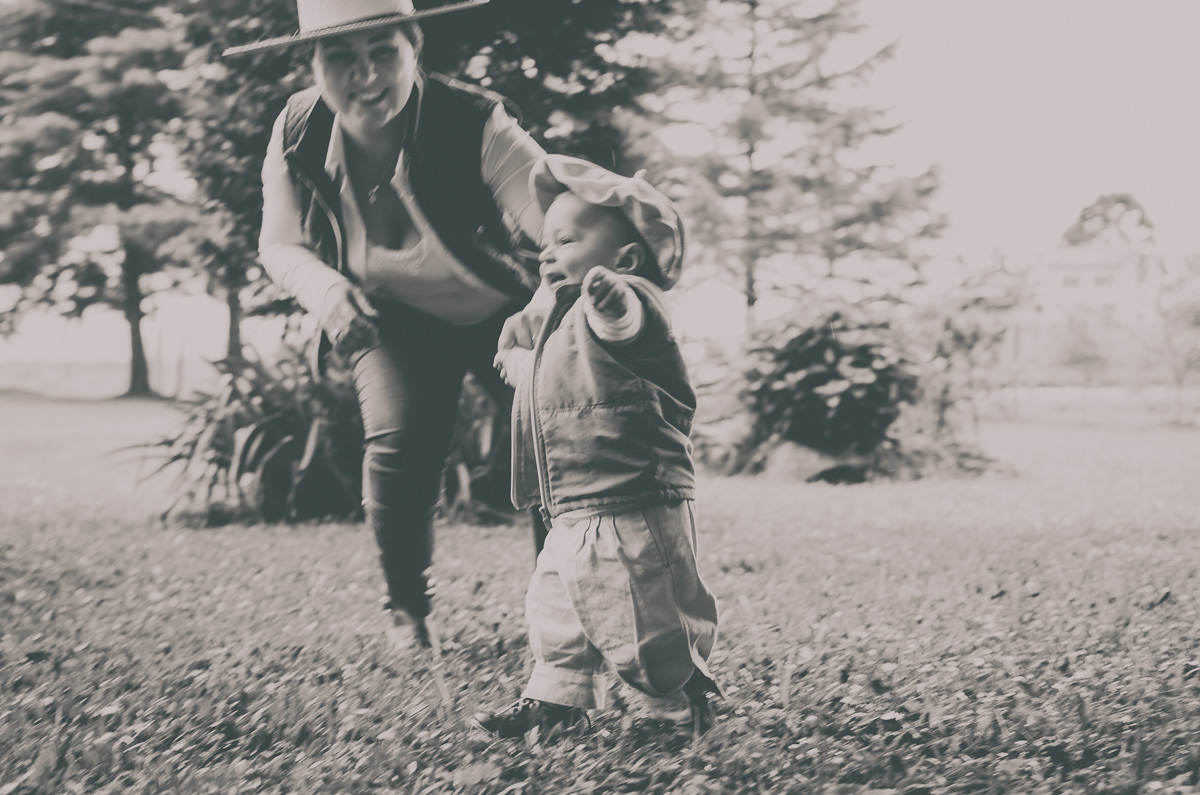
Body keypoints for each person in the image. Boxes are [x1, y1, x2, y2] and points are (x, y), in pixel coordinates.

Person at [225, 0, 551, 650]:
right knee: (399, 450)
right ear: (313, 62)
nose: (365, 75)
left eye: (383, 52)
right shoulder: (295, 129)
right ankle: (408, 611)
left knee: (553, 439)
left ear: (415, 45)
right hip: (394, 315)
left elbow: (565, 228)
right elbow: (280, 243)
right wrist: (325, 290)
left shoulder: (475, 120)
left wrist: (546, 303)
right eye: (340, 55)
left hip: (503, 311)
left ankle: (564, 600)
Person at [473, 156, 722, 739]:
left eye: (566, 239)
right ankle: (555, 701)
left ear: (626, 259)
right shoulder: (561, 323)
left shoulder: (629, 300)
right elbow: (552, 380)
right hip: (573, 502)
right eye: (545, 243)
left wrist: (613, 302)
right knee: (556, 609)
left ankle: (675, 705)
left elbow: (626, 330)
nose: (547, 252)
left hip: (632, 495)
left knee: (644, 612)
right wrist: (515, 358)